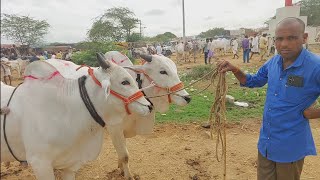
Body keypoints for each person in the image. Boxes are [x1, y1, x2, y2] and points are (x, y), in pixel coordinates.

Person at [217, 17, 320, 180]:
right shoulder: (273, 62)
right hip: (267, 142)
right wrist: (235, 69)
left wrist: (312, 113)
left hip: (290, 146)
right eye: (279, 39)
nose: (284, 44)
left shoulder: (315, 66)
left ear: (304, 38)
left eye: (291, 38)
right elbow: (253, 81)